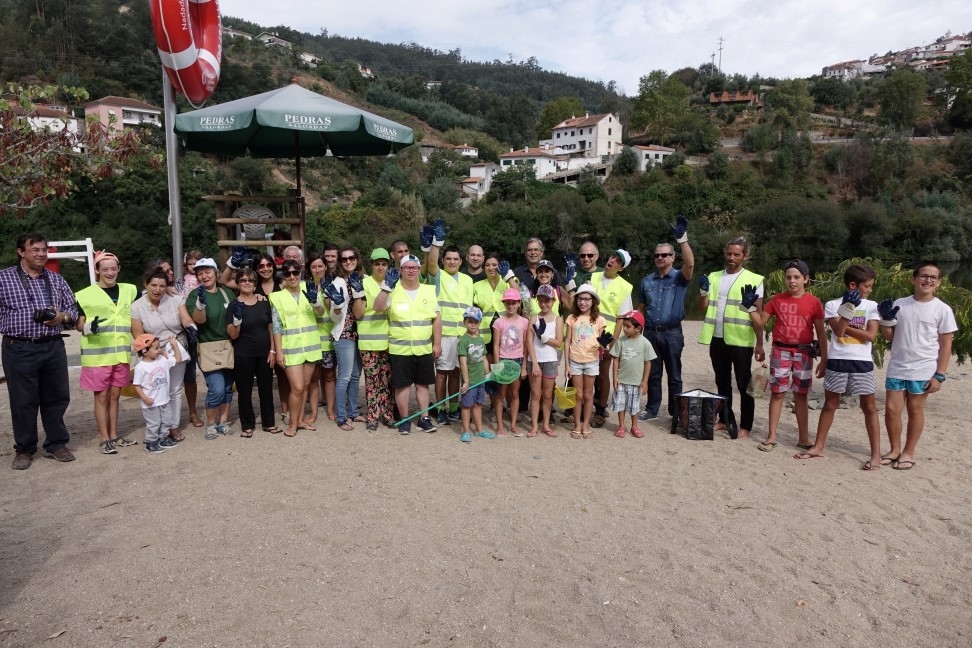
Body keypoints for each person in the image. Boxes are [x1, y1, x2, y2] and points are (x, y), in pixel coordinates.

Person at [1, 233, 79, 469]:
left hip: (53, 345)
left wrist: (61, 317)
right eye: (35, 250)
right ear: (21, 252)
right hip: (19, 347)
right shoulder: (4, 279)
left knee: (57, 397)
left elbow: (74, 311)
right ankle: (24, 449)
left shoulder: (56, 280)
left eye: (44, 250)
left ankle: (56, 443)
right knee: (23, 400)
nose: (41, 254)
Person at [795, 264, 882, 469]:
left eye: (871, 286)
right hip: (838, 360)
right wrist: (848, 309)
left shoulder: (872, 306)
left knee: (869, 407)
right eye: (867, 286)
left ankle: (876, 455)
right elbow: (839, 332)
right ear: (853, 285)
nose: (870, 290)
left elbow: (870, 336)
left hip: (862, 362)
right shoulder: (833, 305)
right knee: (830, 404)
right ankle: (819, 446)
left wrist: (846, 326)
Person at [878, 261, 958, 472]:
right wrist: (886, 320)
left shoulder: (943, 309)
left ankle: (908, 452)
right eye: (923, 276)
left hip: (923, 368)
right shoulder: (901, 304)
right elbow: (888, 337)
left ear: (938, 282)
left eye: (933, 277)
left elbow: (946, 345)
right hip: (898, 365)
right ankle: (894, 449)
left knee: (915, 410)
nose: (928, 280)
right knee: (891, 410)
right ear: (913, 279)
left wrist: (940, 374)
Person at [744, 260, 827, 451]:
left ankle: (803, 437)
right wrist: (749, 308)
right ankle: (772, 436)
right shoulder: (777, 300)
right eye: (788, 277)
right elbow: (760, 322)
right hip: (780, 351)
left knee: (801, 395)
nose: (792, 281)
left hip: (804, 352)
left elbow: (821, 333)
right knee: (778, 393)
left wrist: (824, 359)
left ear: (806, 279)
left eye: (796, 277)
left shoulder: (814, 302)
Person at [697, 237, 766, 439]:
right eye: (729, 253)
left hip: (741, 340)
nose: (731, 258)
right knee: (722, 382)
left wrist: (760, 344)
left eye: (736, 254)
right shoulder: (714, 277)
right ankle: (725, 420)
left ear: (745, 256)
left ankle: (746, 425)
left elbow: (759, 318)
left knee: (744, 385)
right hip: (717, 338)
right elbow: (703, 308)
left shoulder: (754, 280)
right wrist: (703, 293)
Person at [75, 250, 138, 454]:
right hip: (98, 355)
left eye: (113, 268)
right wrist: (87, 327)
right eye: (105, 269)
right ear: (97, 270)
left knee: (115, 396)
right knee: (101, 396)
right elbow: (79, 323)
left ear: (119, 269)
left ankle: (114, 435)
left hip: (121, 354)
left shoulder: (130, 290)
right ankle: (104, 438)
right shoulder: (84, 295)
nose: (110, 273)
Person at [372, 254, 441, 435]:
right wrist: (386, 287)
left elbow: (436, 319)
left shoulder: (428, 290)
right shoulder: (392, 290)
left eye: (414, 267)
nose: (411, 271)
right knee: (402, 385)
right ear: (400, 270)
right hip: (400, 349)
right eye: (407, 267)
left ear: (419, 269)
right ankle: (404, 419)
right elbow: (378, 307)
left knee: (423, 384)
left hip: (423, 348)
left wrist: (437, 343)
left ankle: (424, 418)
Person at [637, 215, 695, 422]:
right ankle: (652, 408)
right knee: (653, 373)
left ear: (672, 257)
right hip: (650, 333)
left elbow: (690, 263)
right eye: (657, 255)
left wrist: (682, 240)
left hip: (672, 333)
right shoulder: (646, 281)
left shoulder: (680, 277)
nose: (660, 258)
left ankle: (676, 412)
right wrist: (636, 332)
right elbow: (641, 309)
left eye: (664, 255)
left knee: (674, 375)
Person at [130, 266, 197, 443]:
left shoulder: (176, 299)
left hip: (175, 346)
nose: (158, 289)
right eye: (154, 285)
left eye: (162, 285)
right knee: (156, 389)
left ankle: (172, 426)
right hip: (152, 350)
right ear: (146, 284)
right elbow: (138, 335)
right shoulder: (137, 307)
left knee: (174, 389)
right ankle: (156, 425)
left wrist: (191, 326)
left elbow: (185, 318)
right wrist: (153, 352)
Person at [270, 259, 325, 437]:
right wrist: (278, 351)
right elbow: (276, 327)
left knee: (306, 385)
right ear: (284, 276)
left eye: (295, 272)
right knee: (297, 388)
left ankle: (300, 420)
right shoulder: (277, 297)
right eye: (288, 273)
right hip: (291, 348)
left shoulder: (310, 289)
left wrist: (315, 302)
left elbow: (321, 313)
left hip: (310, 346)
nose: (292, 276)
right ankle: (292, 424)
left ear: (300, 273)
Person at [187, 257, 237, 440]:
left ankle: (223, 422)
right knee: (216, 387)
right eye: (200, 273)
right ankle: (211, 424)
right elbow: (199, 320)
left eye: (207, 272)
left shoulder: (227, 293)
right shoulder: (194, 295)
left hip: (228, 345)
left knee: (227, 387)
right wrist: (200, 304)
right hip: (208, 346)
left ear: (216, 273)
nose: (204, 276)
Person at [427, 243, 474, 426]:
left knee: (456, 373)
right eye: (448, 259)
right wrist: (436, 244)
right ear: (443, 261)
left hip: (462, 335)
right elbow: (431, 264)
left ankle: (454, 408)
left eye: (455, 259)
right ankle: (440, 409)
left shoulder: (467, 280)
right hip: (444, 335)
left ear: (461, 261)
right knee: (442, 374)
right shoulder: (438, 276)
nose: (452, 262)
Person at [227, 268, 276, 437]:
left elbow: (271, 327)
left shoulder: (263, 302)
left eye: (250, 280)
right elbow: (233, 334)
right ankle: (247, 424)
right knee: (245, 391)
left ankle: (269, 422)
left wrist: (273, 349)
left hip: (264, 352)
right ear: (238, 284)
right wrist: (237, 320)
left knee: (266, 389)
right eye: (243, 280)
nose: (247, 283)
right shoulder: (234, 305)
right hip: (243, 353)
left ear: (255, 284)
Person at [590, 249, 634, 428]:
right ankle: (581, 407)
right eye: (613, 256)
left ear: (621, 268)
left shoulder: (624, 287)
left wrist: (613, 342)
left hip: (605, 337)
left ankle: (600, 410)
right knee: (584, 370)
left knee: (602, 374)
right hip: (587, 332)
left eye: (618, 261)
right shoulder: (593, 277)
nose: (613, 260)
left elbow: (621, 318)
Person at [328, 245, 366, 430]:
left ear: (357, 259)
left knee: (356, 376)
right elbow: (334, 317)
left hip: (361, 334)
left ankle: (353, 411)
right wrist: (336, 306)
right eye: (344, 259)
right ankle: (342, 416)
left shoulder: (364, 280)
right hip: (344, 333)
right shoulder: (337, 283)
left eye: (352, 258)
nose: (348, 261)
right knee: (344, 376)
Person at [565, 285, 609, 440]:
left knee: (589, 394)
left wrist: (604, 344)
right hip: (575, 361)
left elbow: (602, 343)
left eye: (586, 299)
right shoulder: (572, 318)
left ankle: (586, 424)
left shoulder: (599, 320)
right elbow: (567, 341)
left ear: (593, 301)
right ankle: (577, 424)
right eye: (579, 299)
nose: (582, 302)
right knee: (578, 394)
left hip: (591, 361)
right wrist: (566, 365)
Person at [359, 248, 394, 431]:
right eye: (377, 264)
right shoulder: (364, 284)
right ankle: (373, 416)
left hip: (389, 341)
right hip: (369, 340)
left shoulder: (394, 282)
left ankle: (387, 414)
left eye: (384, 264)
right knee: (372, 381)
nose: (380, 267)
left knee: (387, 381)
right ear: (371, 265)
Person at [131, 333, 184, 454]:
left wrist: (175, 346)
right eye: (156, 348)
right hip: (151, 403)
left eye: (159, 347)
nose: (159, 350)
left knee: (167, 420)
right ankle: (151, 442)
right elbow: (137, 385)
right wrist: (145, 398)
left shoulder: (162, 360)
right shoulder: (140, 367)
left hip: (164, 400)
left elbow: (178, 360)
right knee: (153, 423)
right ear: (145, 351)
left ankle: (163, 438)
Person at [610, 311, 656, 439]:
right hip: (621, 380)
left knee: (634, 406)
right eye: (623, 326)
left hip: (636, 381)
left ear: (638, 328)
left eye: (627, 326)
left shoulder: (645, 343)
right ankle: (621, 426)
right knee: (620, 404)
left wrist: (645, 381)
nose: (624, 329)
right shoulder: (620, 341)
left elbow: (648, 363)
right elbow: (615, 359)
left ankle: (634, 426)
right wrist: (615, 377)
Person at [303, 253, 336, 426]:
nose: (317, 270)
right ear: (309, 269)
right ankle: (314, 411)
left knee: (329, 376)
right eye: (313, 267)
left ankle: (330, 409)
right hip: (311, 340)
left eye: (320, 266)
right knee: (313, 378)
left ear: (325, 267)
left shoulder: (333, 285)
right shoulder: (303, 287)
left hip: (329, 339)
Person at [492, 287, 530, 437]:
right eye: (508, 303)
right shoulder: (499, 322)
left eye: (514, 303)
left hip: (518, 360)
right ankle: (500, 425)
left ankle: (513, 425)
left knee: (515, 394)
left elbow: (526, 345)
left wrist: (524, 366)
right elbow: (496, 345)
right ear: (504, 304)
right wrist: (497, 365)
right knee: (500, 394)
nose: (511, 306)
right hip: (503, 360)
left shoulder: (524, 322)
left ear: (519, 303)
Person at [527, 284, 564, 438]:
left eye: (547, 301)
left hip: (550, 360)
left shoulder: (558, 319)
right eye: (541, 301)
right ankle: (535, 426)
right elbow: (529, 342)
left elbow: (559, 342)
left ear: (553, 301)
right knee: (535, 394)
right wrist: (534, 363)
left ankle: (546, 425)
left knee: (547, 395)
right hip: (535, 361)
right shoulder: (533, 318)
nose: (544, 304)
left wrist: (544, 338)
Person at [457, 306, 496, 443]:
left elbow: (484, 358)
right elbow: (463, 363)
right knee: (466, 406)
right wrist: (466, 381)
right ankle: (466, 431)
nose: (473, 324)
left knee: (478, 404)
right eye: (470, 321)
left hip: (480, 380)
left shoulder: (480, 340)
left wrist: (487, 373)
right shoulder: (464, 341)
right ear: (465, 322)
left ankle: (479, 430)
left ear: (479, 323)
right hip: (470, 381)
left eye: (476, 322)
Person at [179, 249, 205, 428]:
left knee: (212, 370)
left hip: (205, 327)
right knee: (189, 374)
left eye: (197, 263)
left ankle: (216, 407)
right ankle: (192, 411)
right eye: (190, 264)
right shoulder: (181, 282)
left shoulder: (207, 278)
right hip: (188, 329)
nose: (193, 267)